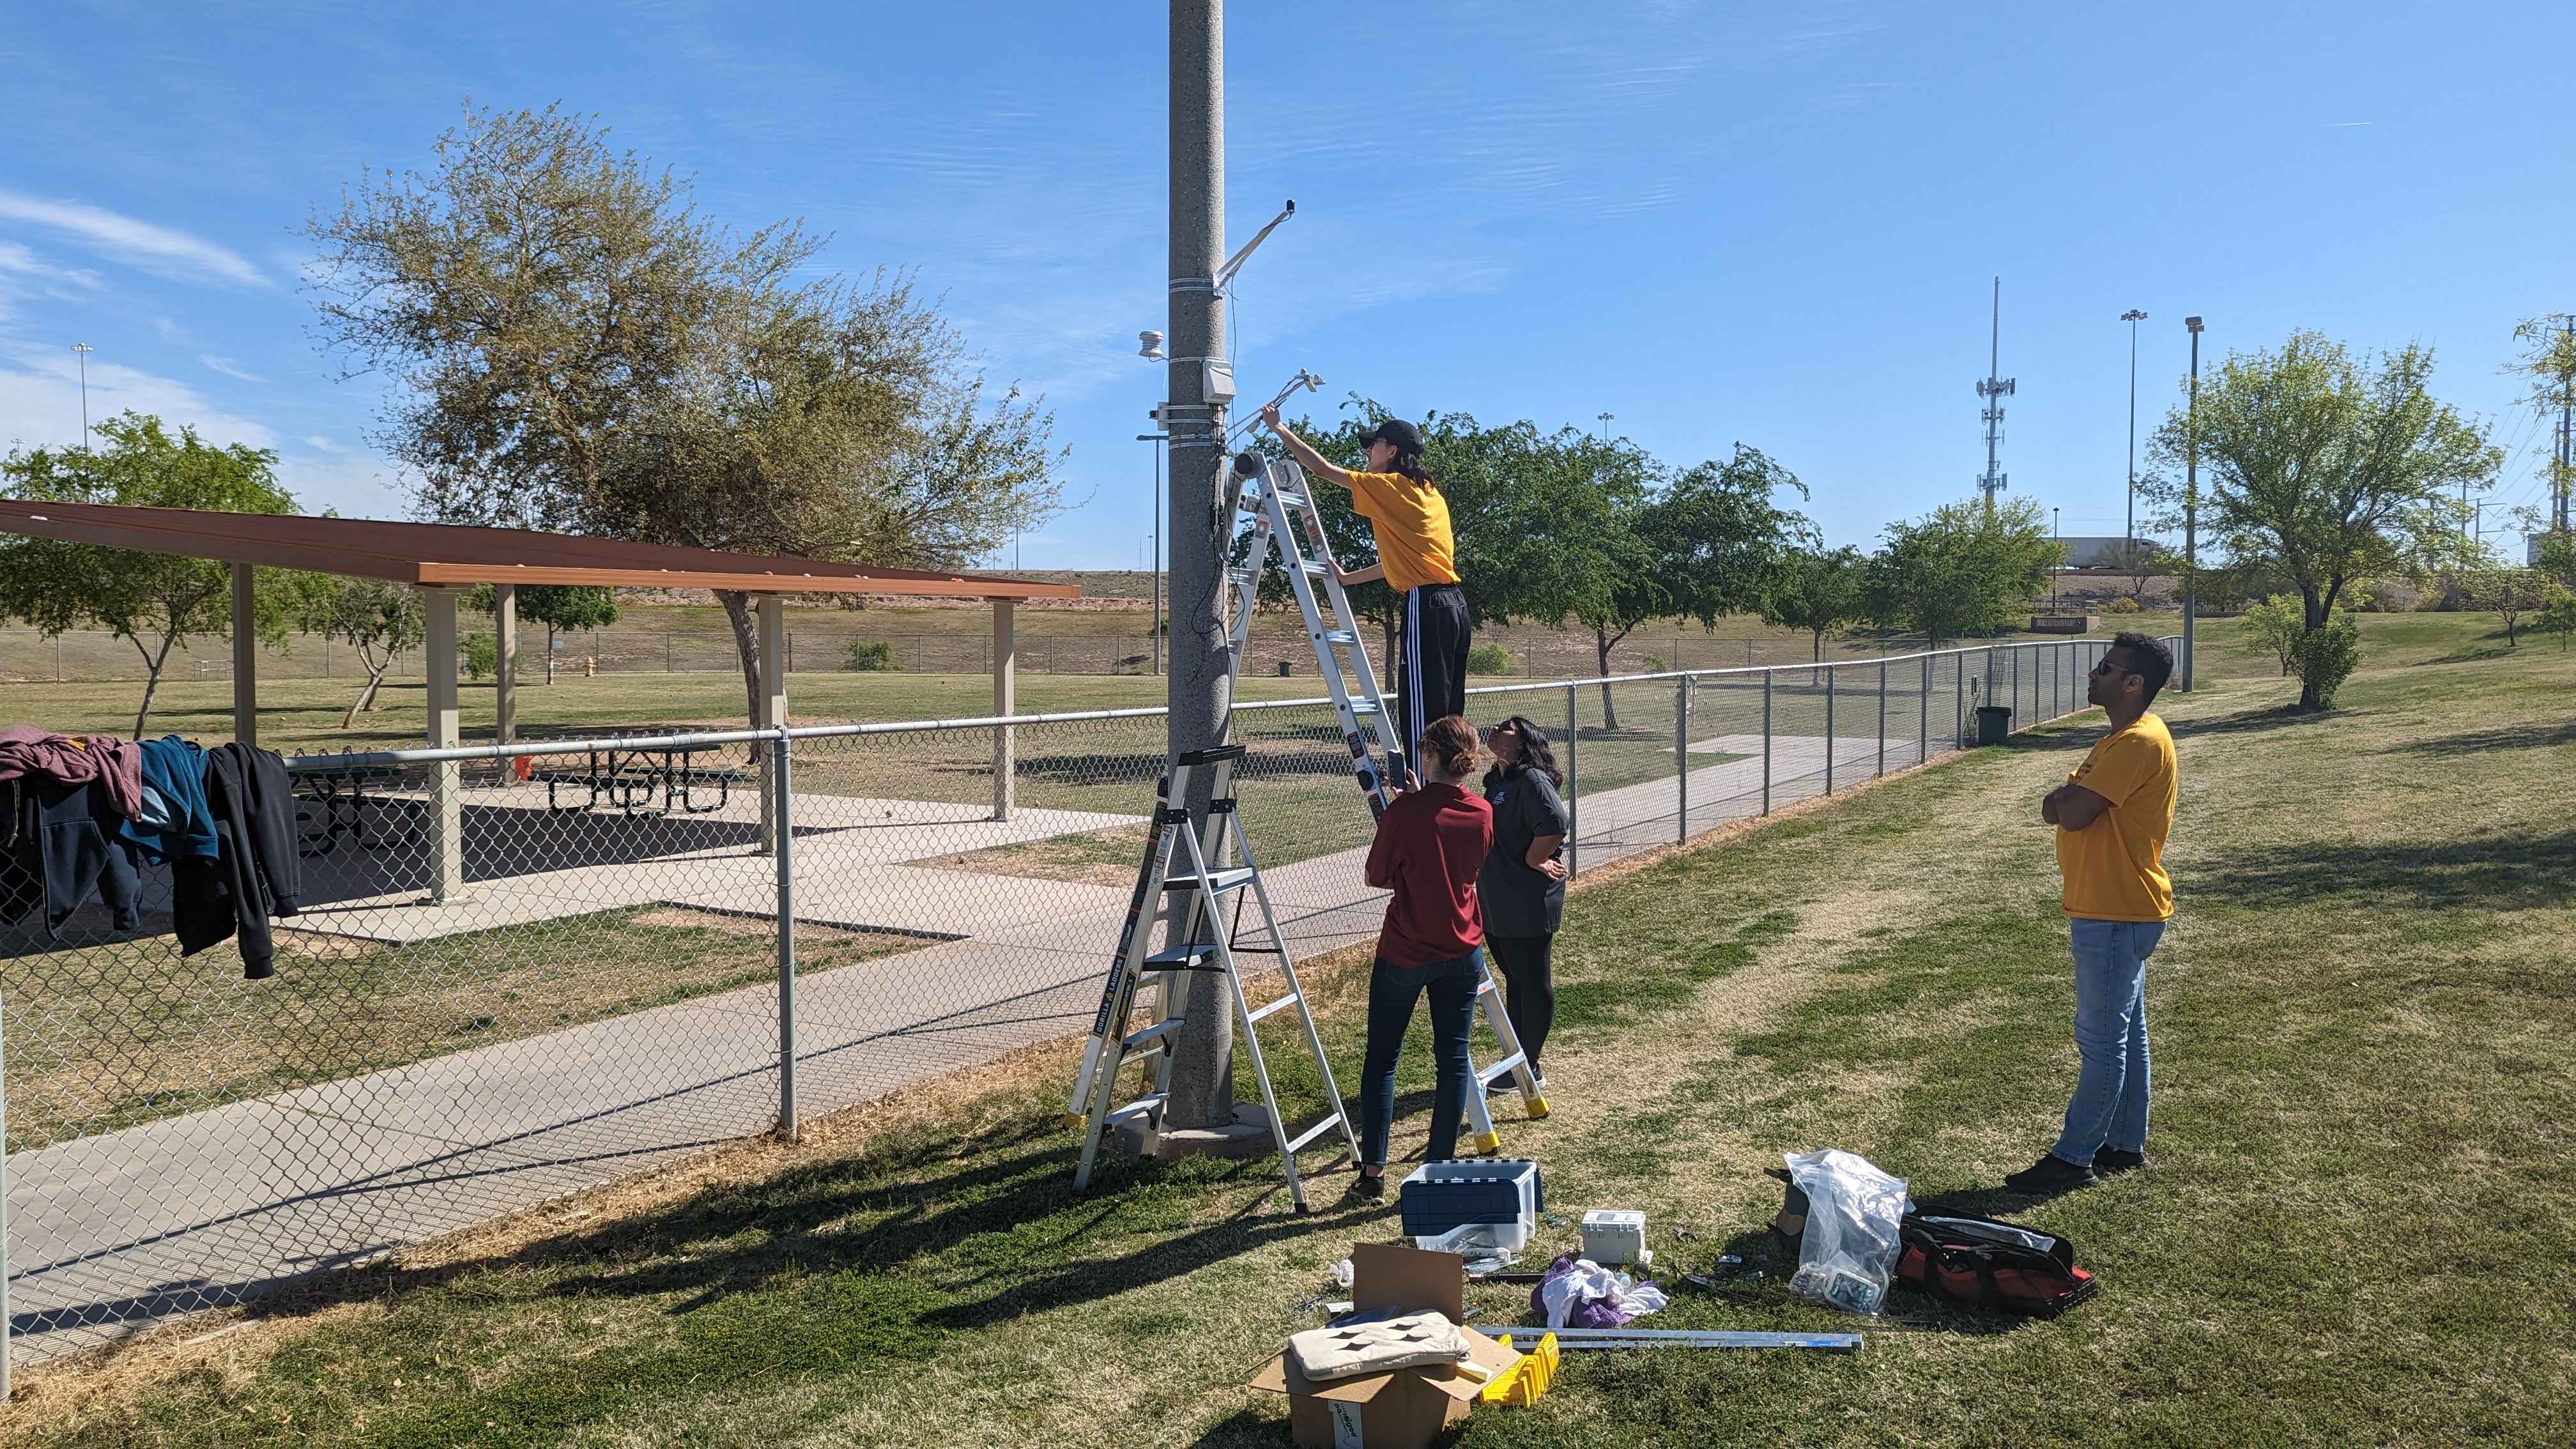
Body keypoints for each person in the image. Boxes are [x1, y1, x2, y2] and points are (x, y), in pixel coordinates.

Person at [2005, 632, 2180, 1194]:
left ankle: (2074, 1156)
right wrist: (2062, 800)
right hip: (2117, 908)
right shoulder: (2121, 739)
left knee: (2102, 1041)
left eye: (2105, 668)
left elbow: (2071, 811)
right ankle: (2125, 1145)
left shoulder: (2136, 743)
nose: (2093, 674)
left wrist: (2064, 797)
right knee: (2127, 1032)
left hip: (2114, 910)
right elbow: (2054, 807)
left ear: (2134, 683)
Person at [1259, 405, 1469, 775]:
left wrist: (1280, 429)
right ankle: (1450, 790)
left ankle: (1423, 792)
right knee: (1449, 714)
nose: (1368, 452)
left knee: (1422, 715)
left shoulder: (1390, 486)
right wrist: (1348, 578)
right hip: (1453, 605)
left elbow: (1323, 470)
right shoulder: (1430, 493)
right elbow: (1405, 561)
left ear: (1392, 452)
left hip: (1426, 605)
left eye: (1374, 445)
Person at [1350, 716, 1492, 1202]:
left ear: (1429, 756)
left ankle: (1373, 1175)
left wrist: (1408, 807)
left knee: (1383, 1060)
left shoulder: (1405, 813)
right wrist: (1418, 802)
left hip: (1406, 951)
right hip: (1463, 948)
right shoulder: (1481, 811)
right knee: (1453, 1062)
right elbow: (1464, 858)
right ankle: (1437, 1170)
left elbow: (1377, 874)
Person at [1478, 716, 1568, 1093]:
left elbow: (1556, 822)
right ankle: (1518, 1060)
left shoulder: (1532, 780)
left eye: (1507, 729)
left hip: (1526, 900)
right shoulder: (1499, 782)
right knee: (1514, 980)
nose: (1495, 730)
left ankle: (1528, 1066)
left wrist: (1534, 860)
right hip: (1496, 900)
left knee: (1532, 983)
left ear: (1523, 743)